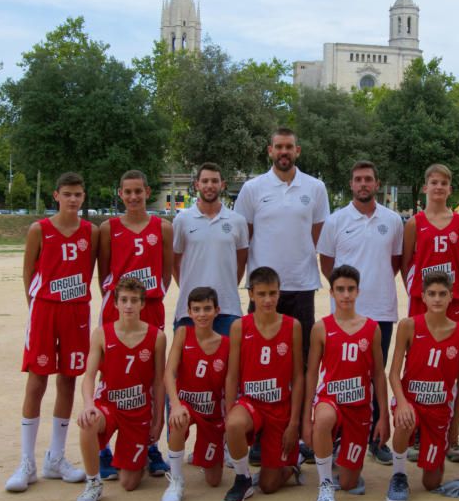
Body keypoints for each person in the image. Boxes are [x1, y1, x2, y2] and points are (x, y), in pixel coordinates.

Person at [5, 172, 93, 493]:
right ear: (56, 195)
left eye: (78, 194)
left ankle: (56, 457)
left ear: (84, 197)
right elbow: (28, 272)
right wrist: (36, 306)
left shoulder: (91, 232)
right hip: (45, 308)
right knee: (37, 380)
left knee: (68, 379)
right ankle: (26, 461)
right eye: (67, 193)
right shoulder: (39, 230)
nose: (73, 199)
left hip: (76, 311)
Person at [317, 161, 402, 465]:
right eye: (358, 180)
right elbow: (327, 263)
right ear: (351, 185)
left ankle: (376, 438)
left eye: (368, 179)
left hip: (380, 309)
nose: (363, 184)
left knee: (375, 374)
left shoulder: (392, 220)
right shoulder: (336, 220)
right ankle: (339, 431)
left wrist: (374, 283)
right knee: (343, 376)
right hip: (343, 315)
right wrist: (344, 294)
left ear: (377, 183)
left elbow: (394, 262)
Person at [97, 169, 173, 479]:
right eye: (127, 192)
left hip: (151, 305)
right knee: (111, 374)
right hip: (118, 308)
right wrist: (120, 300)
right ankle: (103, 449)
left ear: (147, 191)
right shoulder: (108, 228)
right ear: (120, 193)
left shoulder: (163, 227)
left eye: (138, 191)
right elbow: (104, 272)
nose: (133, 197)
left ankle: (150, 445)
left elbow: (166, 271)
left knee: (151, 373)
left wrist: (151, 295)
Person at [234, 128, 328, 366]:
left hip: (302, 285)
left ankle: (301, 405)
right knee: (258, 358)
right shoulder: (252, 188)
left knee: (302, 358)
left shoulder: (315, 187)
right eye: (279, 147)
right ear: (270, 151)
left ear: (297, 151)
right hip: (263, 287)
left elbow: (319, 236)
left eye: (289, 147)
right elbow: (245, 239)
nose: (284, 152)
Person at [302, 265, 390, 501]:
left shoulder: (371, 328)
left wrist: (383, 416)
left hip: (360, 408)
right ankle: (325, 485)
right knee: (324, 419)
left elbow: (378, 375)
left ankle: (337, 446)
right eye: (340, 289)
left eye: (351, 289)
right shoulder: (321, 327)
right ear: (331, 293)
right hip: (330, 400)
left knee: (351, 483)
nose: (346, 295)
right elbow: (311, 373)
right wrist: (307, 418)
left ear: (358, 291)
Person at [73, 277, 165, 501]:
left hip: (138, 411)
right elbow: (89, 376)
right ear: (115, 303)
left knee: (129, 483)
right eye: (124, 300)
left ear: (143, 304)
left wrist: (157, 421)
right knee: (88, 422)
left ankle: (136, 454)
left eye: (134, 300)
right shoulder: (101, 334)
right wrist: (88, 404)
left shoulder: (157, 337)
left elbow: (158, 383)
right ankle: (93, 483)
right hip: (109, 405)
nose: (129, 305)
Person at [400, 163, 459, 463]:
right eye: (433, 182)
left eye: (444, 183)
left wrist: (445, 295)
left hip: (450, 304)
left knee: (449, 367)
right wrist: (421, 295)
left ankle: (449, 433)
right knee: (416, 365)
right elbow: (406, 265)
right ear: (425, 187)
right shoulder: (415, 223)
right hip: (421, 302)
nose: (438, 187)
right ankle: (413, 431)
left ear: (449, 189)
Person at [385, 271, 459, 501]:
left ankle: (429, 448)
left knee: (431, 483)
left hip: (439, 408)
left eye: (443, 294)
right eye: (431, 294)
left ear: (451, 297)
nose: (437, 299)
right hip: (411, 401)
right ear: (422, 297)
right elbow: (393, 373)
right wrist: (401, 402)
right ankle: (399, 475)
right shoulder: (408, 326)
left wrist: (456, 425)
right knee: (405, 419)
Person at [222, 267, 304, 501]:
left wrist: (294, 422)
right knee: (235, 424)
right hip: (251, 404)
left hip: (280, 408)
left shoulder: (293, 326)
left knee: (269, 486)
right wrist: (229, 413)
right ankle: (242, 478)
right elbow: (232, 375)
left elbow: (299, 376)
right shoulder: (240, 326)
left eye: (273, 293)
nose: (268, 299)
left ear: (279, 294)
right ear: (251, 294)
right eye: (262, 294)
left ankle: (291, 466)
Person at [161, 287, 230, 501]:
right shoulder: (183, 333)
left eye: (207, 309)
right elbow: (169, 373)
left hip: (211, 414)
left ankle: (202, 453)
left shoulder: (226, 343)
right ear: (189, 312)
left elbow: (230, 386)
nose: (202, 314)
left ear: (217, 310)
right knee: (178, 421)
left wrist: (228, 417)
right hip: (187, 407)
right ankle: (176, 480)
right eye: (197, 309)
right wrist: (175, 405)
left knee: (213, 481)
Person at [172, 162, 248, 336]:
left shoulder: (237, 221)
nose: (209, 186)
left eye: (214, 181)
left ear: (222, 184)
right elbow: (174, 262)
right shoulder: (182, 220)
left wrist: (226, 284)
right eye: (205, 181)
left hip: (228, 307)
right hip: (190, 309)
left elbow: (241, 260)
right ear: (197, 184)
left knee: (229, 362)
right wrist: (188, 287)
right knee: (188, 362)